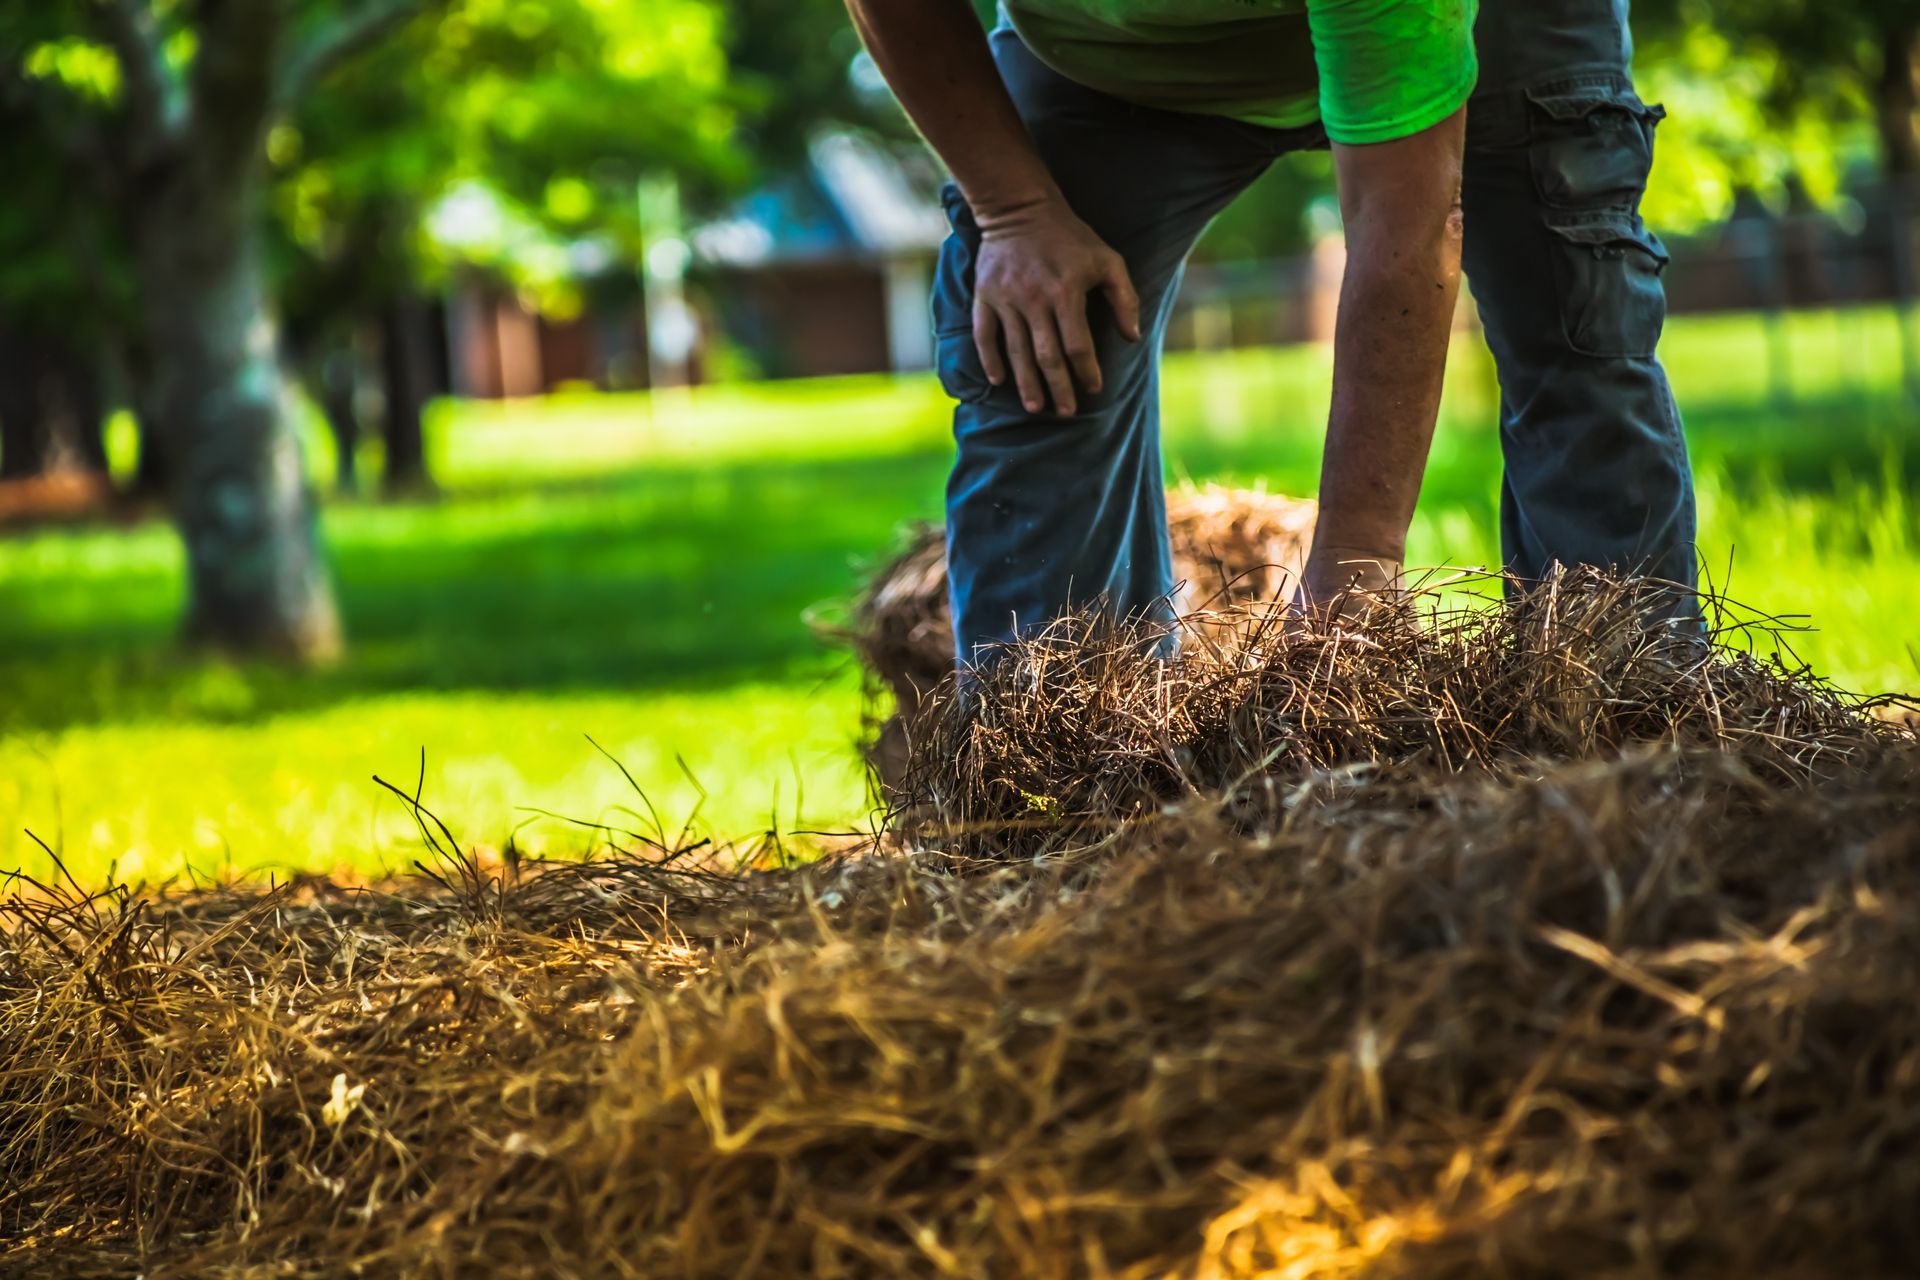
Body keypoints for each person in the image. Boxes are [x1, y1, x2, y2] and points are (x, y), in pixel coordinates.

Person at [843, 0, 1697, 666]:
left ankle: (1636, 739)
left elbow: (1406, 224)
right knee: (1036, 342)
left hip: (1492, 29)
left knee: (1573, 318)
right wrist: (1018, 212)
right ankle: (1051, 816)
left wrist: (1357, 565)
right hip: (1106, 61)